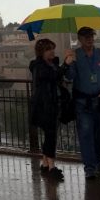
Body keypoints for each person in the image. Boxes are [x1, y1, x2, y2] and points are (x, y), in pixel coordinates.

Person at [64, 26, 100, 180]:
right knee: (86, 134)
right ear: (80, 39)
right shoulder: (75, 55)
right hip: (83, 103)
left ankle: (99, 163)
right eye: (86, 37)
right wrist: (68, 63)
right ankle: (89, 168)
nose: (90, 39)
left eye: (91, 36)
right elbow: (69, 77)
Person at [29, 39, 67, 181]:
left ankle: (45, 162)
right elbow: (51, 76)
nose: (52, 51)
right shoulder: (39, 66)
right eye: (48, 49)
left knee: (50, 134)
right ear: (41, 52)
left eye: (52, 48)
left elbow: (57, 76)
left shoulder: (52, 64)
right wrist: (66, 64)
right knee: (51, 134)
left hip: (53, 104)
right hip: (45, 106)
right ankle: (51, 166)